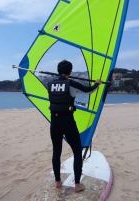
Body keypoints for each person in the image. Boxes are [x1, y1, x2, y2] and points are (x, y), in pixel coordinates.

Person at [47, 60, 102, 193]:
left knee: (56, 152)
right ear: (70, 72)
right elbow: (89, 90)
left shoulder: (50, 84)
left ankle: (57, 181)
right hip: (68, 122)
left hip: (54, 122)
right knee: (77, 152)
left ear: (58, 70)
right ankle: (77, 184)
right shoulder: (71, 83)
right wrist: (97, 84)